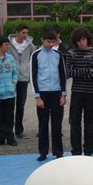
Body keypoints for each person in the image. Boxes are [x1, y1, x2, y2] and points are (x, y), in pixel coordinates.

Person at [30, 29, 67, 161]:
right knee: (43, 124)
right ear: (42, 40)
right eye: (48, 41)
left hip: (56, 93)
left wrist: (64, 94)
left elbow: (63, 75)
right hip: (43, 93)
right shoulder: (35, 55)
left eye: (52, 42)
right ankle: (43, 152)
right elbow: (33, 76)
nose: (50, 44)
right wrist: (37, 96)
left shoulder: (58, 54)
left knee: (57, 124)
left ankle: (58, 151)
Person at [66, 27, 93, 156]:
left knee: (89, 123)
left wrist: (79, 71)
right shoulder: (71, 53)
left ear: (88, 39)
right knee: (74, 122)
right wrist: (87, 70)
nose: (82, 43)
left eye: (84, 39)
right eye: (79, 40)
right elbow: (68, 72)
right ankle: (75, 151)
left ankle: (88, 151)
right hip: (77, 92)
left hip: (92, 92)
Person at [8, 24, 36, 139]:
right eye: (23, 33)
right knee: (9, 104)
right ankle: (8, 130)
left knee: (20, 105)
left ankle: (19, 130)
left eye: (27, 33)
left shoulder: (30, 45)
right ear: (17, 32)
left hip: (23, 77)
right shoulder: (9, 44)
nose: (25, 35)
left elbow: (32, 58)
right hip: (10, 78)